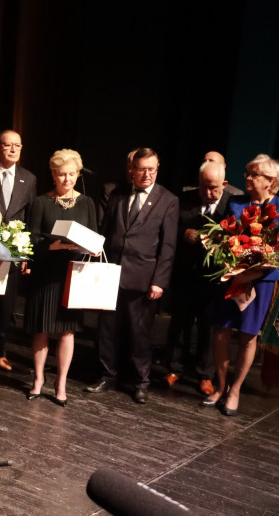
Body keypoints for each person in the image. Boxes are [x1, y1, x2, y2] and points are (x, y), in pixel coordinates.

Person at [205, 154, 279, 417]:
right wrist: (237, 271)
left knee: (248, 335)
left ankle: (235, 390)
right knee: (221, 331)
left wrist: (251, 275)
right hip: (232, 277)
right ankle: (221, 386)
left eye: (253, 174)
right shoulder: (235, 203)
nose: (247, 178)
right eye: (247, 173)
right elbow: (226, 240)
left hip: (262, 281)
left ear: (271, 181)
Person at [87, 148, 178, 404]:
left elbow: (168, 246)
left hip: (144, 278)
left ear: (157, 169)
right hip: (111, 273)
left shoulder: (168, 200)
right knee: (106, 330)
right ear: (132, 171)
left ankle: (141, 382)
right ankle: (106, 375)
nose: (147, 174)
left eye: (152, 169)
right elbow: (106, 232)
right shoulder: (117, 194)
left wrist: (159, 280)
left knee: (140, 334)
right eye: (142, 169)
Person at [25, 149, 98, 406]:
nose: (66, 180)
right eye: (61, 175)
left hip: (73, 273)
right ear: (53, 175)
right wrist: (51, 247)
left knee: (68, 331)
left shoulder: (87, 203)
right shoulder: (40, 202)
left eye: (71, 174)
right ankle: (38, 380)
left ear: (78, 174)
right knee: (42, 329)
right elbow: (31, 239)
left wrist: (94, 247)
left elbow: (95, 237)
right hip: (46, 272)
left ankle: (61, 382)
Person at [163, 160, 233, 395]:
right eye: (204, 187)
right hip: (186, 273)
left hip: (214, 277)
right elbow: (169, 228)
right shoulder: (184, 201)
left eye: (213, 188)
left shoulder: (231, 206)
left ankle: (205, 375)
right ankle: (174, 368)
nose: (208, 193)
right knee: (180, 322)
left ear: (224, 184)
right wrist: (185, 233)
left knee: (208, 325)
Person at [0, 130, 37, 371]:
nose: (13, 150)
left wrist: (25, 254)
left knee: (7, 305)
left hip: (14, 249)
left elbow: (29, 217)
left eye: (17, 145)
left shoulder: (29, 178)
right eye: (8, 145)